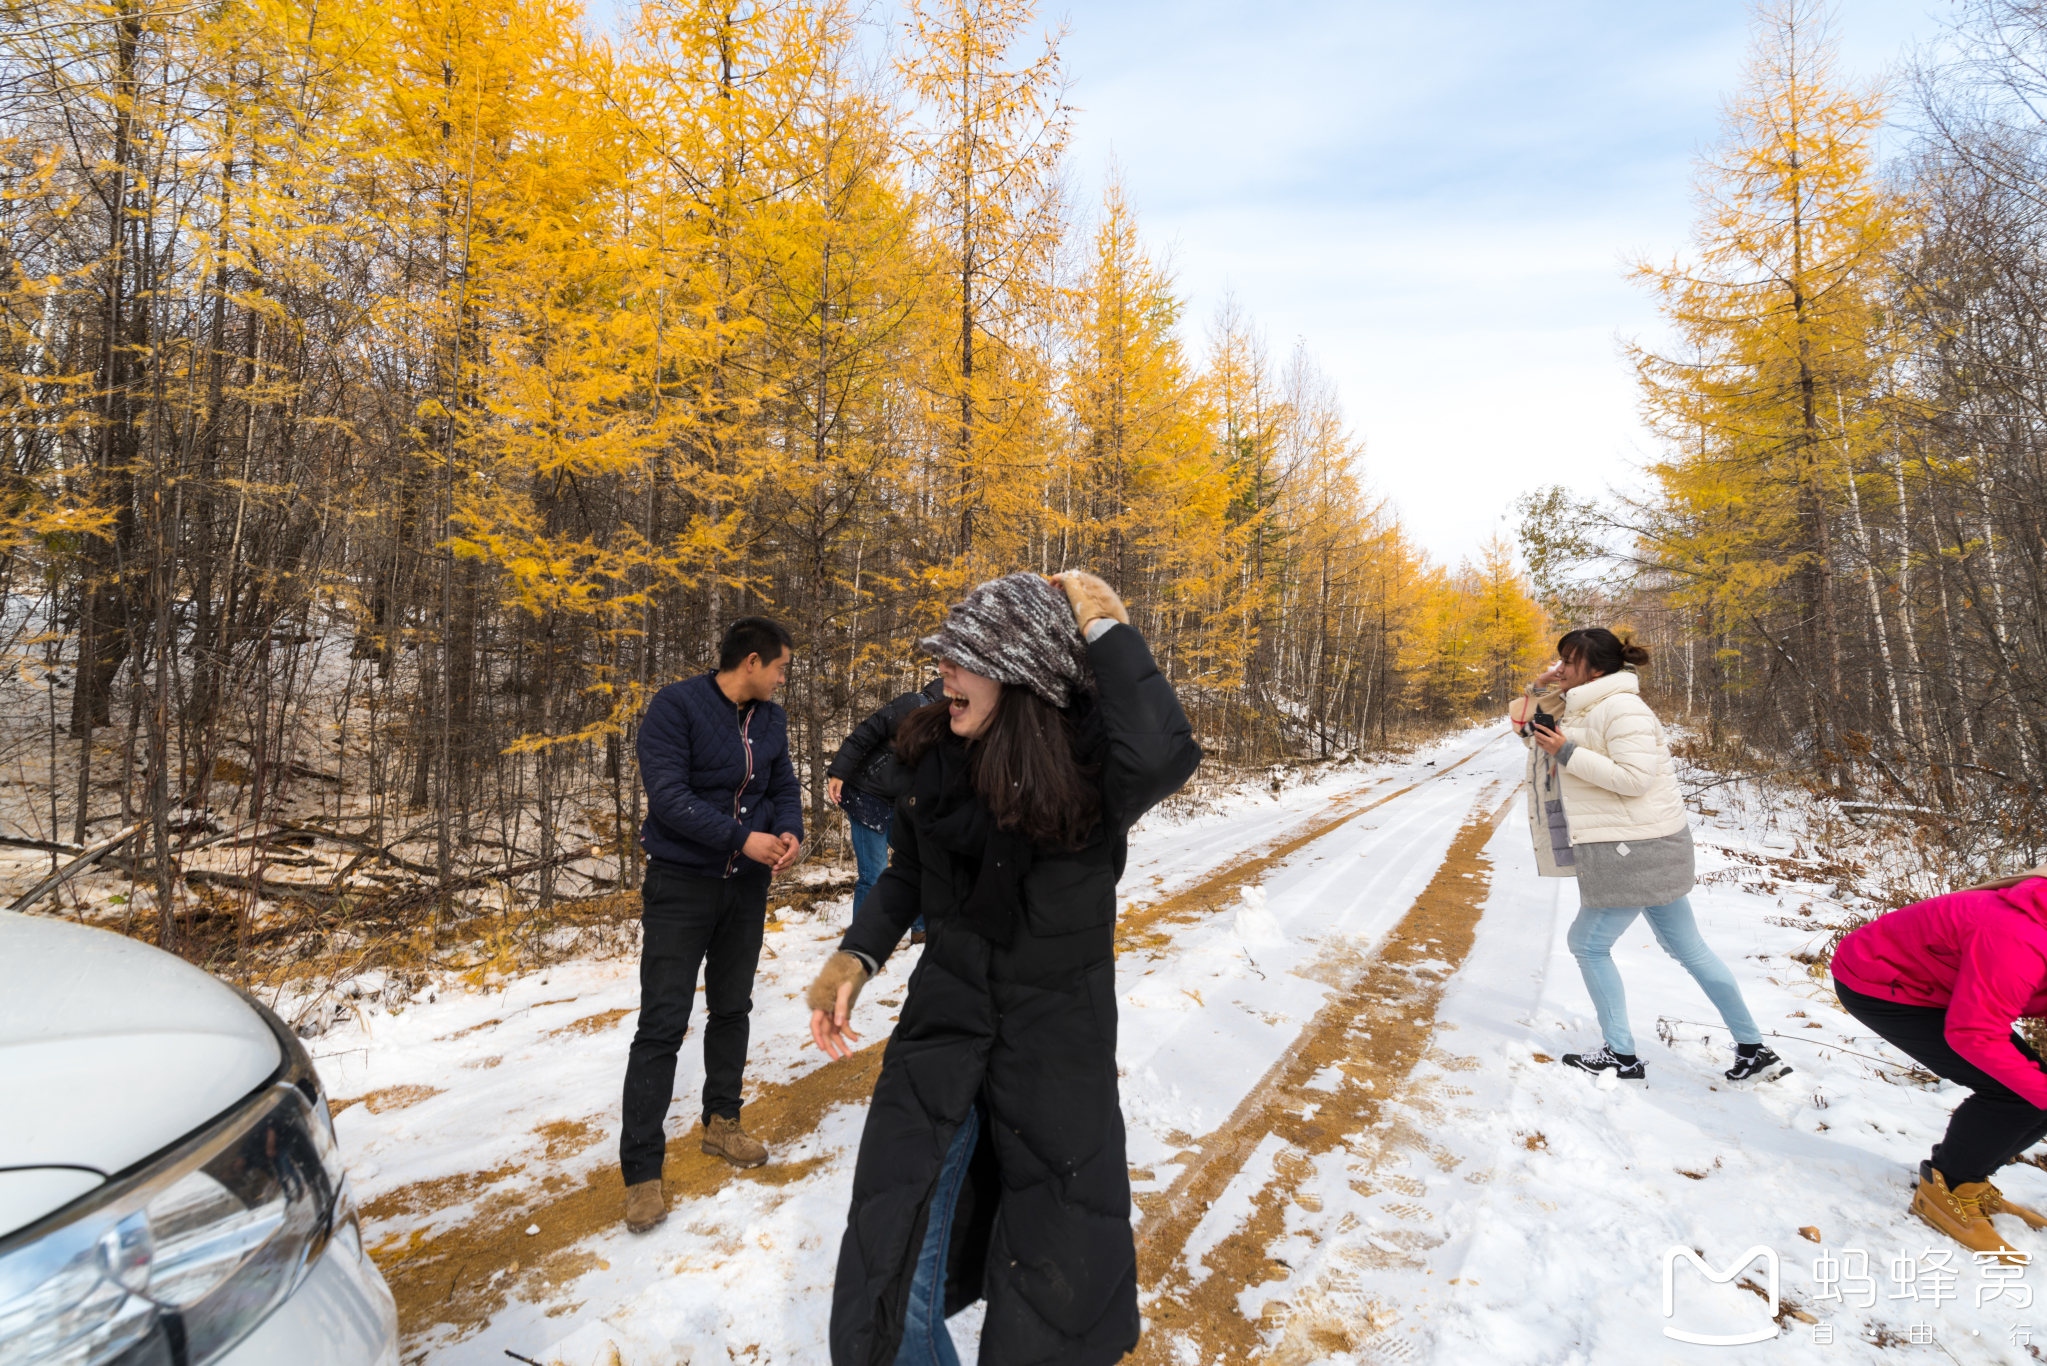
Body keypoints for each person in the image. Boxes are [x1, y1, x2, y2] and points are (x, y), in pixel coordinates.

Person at [804, 570, 1199, 1366]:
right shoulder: (930, 755)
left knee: (1051, 1285)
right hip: (943, 1031)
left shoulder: (1091, 775)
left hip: (1053, 1049)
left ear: (1020, 668)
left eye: (964, 656)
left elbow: (1162, 752)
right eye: (943, 654)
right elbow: (907, 878)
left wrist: (1103, 624)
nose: (942, 671)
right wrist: (858, 951)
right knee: (894, 1262)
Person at [1510, 626, 1786, 1087]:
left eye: (1568, 662)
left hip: (1633, 850)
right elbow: (1526, 729)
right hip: (1644, 844)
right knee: (1688, 948)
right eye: (1559, 661)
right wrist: (1539, 689)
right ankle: (1754, 1048)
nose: (1561, 669)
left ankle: (1622, 1055)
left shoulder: (1622, 708)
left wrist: (1568, 751)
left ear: (1594, 667)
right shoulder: (1586, 704)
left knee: (1588, 944)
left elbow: (1635, 778)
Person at [619, 616, 804, 1234]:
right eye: (780, 666)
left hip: (745, 889)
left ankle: (722, 1123)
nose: (784, 677)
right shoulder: (676, 707)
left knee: (732, 1008)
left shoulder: (770, 719)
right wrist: (740, 838)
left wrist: (787, 834)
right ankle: (642, 1172)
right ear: (751, 662)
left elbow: (784, 785)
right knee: (662, 1023)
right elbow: (669, 799)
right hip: (682, 886)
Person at [1832, 866, 2047, 1259]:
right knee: (2016, 1094)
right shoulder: (2019, 939)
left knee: (2036, 1090)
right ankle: (1944, 1191)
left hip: (1937, 983)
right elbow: (1973, 1034)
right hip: (1882, 981)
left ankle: (1967, 1185)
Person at [828, 676, 946, 936]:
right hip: (866, 794)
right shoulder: (911, 705)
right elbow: (864, 733)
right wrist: (838, 772)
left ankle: (922, 929)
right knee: (875, 873)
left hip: (897, 801)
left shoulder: (946, 729)